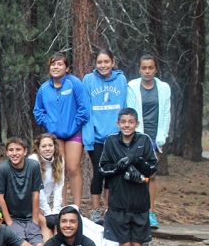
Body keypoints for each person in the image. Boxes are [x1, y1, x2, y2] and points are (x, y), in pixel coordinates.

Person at [100, 107, 157, 246]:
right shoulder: (110, 141)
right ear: (118, 123)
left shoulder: (144, 141)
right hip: (118, 203)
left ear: (136, 124)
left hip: (139, 204)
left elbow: (152, 167)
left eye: (130, 121)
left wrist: (135, 160)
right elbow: (103, 168)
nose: (126, 125)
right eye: (123, 121)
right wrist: (120, 166)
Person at [33, 53, 89, 208]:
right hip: (55, 135)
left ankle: (76, 208)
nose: (55, 67)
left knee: (72, 168)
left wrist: (74, 124)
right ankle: (61, 207)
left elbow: (84, 108)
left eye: (59, 64)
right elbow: (38, 111)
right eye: (53, 64)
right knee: (60, 170)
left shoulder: (74, 83)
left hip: (73, 133)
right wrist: (49, 124)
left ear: (67, 68)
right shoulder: (44, 88)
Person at [82, 49, 129, 224]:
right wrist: (89, 138)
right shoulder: (88, 80)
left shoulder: (121, 80)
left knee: (113, 174)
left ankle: (110, 209)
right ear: (95, 63)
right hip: (97, 138)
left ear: (113, 62)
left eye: (106, 62)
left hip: (116, 137)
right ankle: (95, 210)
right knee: (99, 172)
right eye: (100, 62)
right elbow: (87, 110)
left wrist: (124, 134)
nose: (103, 65)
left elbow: (124, 106)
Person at [127, 54, 171, 229]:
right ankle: (134, 211)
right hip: (137, 136)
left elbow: (167, 113)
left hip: (155, 137)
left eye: (150, 68)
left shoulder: (164, 88)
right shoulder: (133, 86)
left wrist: (162, 138)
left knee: (151, 175)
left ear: (155, 69)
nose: (147, 71)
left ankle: (150, 212)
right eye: (144, 68)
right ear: (139, 69)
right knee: (135, 175)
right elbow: (130, 112)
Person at [28, 133, 65, 239]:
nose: (47, 149)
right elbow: (38, 189)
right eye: (44, 146)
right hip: (31, 204)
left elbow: (59, 186)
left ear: (55, 146)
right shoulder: (33, 161)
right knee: (46, 223)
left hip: (46, 205)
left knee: (59, 223)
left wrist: (56, 211)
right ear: (38, 148)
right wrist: (48, 213)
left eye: (50, 145)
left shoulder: (60, 159)